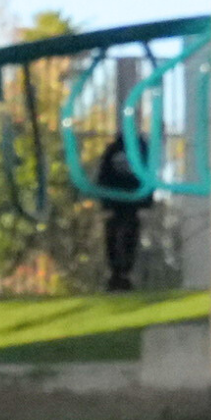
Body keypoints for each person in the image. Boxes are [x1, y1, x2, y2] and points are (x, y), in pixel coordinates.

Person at [74, 93, 157, 293]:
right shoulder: (114, 148)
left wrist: (145, 199)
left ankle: (125, 271)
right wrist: (107, 201)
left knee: (129, 232)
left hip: (132, 200)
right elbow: (105, 175)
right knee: (113, 233)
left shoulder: (141, 147)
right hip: (117, 200)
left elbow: (149, 173)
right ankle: (116, 273)